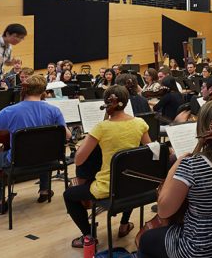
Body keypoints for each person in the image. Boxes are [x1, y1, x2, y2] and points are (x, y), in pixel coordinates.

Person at [137, 98, 212, 258]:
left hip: (199, 250)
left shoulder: (191, 165)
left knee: (146, 240)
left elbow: (163, 211)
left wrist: (175, 166)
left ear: (202, 128)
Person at [63, 85, 150, 247]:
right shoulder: (140, 123)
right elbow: (150, 150)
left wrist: (88, 138)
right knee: (127, 175)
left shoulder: (101, 128)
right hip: (134, 183)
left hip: (108, 187)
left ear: (107, 103)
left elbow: (79, 160)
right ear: (125, 102)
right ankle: (124, 224)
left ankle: (89, 235)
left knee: (69, 195)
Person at [0, 74, 71, 211]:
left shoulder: (10, 111)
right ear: (43, 91)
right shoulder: (54, 110)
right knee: (42, 147)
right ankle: (45, 191)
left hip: (18, 161)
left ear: (24, 90)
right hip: (48, 159)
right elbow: (68, 136)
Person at [0, 23, 27, 149]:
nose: (19, 40)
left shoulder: (9, 47)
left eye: (21, 38)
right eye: (17, 37)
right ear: (7, 34)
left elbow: (5, 61)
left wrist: (10, 62)